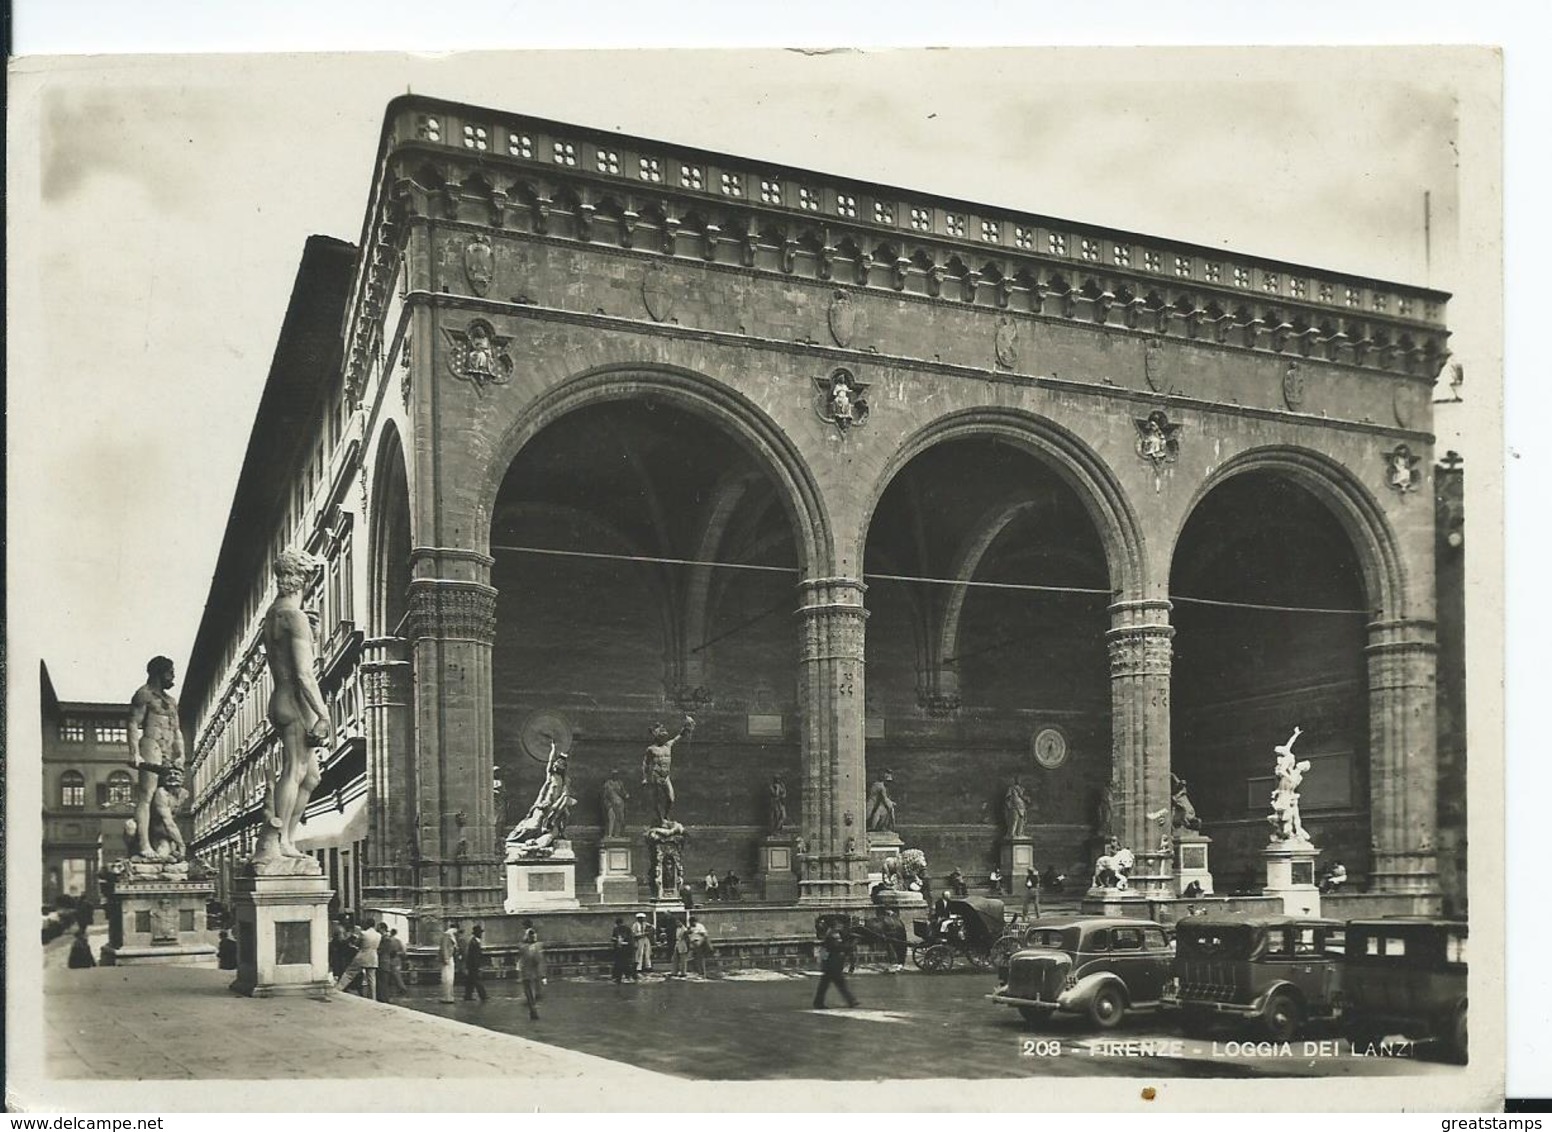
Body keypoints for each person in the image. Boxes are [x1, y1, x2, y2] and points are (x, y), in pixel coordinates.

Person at [262, 552, 330, 860]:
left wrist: (310, 637)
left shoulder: (275, 613)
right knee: (295, 769)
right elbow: (304, 674)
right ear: (306, 579)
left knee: (310, 776)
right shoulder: (295, 616)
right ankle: (280, 844)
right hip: (295, 701)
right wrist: (324, 715)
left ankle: (287, 840)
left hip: (282, 699)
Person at [128, 656, 186, 859]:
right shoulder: (143, 694)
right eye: (170, 672)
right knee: (147, 796)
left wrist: (181, 755)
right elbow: (134, 723)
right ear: (158, 672)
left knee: (164, 798)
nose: (173, 677)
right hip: (151, 746)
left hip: (168, 750)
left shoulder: (171, 701)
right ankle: (144, 845)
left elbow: (177, 730)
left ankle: (162, 842)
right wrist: (134, 752)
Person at [642, 715, 695, 826]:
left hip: (666, 777)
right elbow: (646, 764)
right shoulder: (651, 749)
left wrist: (686, 726)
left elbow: (679, 736)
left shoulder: (668, 745)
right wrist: (645, 778)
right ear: (656, 737)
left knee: (671, 798)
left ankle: (665, 816)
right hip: (656, 776)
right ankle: (660, 820)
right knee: (657, 800)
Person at [812, 922, 858, 1009]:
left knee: (825, 985)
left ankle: (818, 1002)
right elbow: (838, 947)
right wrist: (852, 944)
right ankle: (851, 1001)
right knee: (839, 984)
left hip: (831, 965)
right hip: (833, 965)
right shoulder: (833, 936)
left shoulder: (833, 935)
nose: (841, 926)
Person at [337, 919, 380, 998]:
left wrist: (354, 943)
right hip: (373, 957)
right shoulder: (378, 935)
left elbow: (357, 944)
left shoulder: (363, 933)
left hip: (362, 956)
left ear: (367, 924)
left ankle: (338, 989)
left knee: (349, 973)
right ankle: (373, 997)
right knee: (371, 979)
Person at [517, 926, 546, 1020]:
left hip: (526, 974)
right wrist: (543, 975)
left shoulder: (522, 947)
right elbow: (539, 961)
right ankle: (533, 1011)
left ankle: (532, 1010)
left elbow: (522, 960)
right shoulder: (537, 947)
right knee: (534, 994)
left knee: (529, 994)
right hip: (533, 974)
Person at [378, 924, 407, 1002]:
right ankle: (401, 988)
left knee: (390, 976)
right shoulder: (398, 941)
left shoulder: (388, 940)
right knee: (396, 975)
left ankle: (400, 988)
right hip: (396, 959)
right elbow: (403, 951)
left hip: (390, 959)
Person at [463, 923, 488, 1002]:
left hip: (472, 965)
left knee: (470, 981)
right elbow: (474, 956)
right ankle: (483, 995)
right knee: (477, 981)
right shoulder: (474, 942)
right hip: (474, 965)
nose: (481, 934)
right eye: (480, 933)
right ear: (477, 933)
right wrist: (478, 966)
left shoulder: (474, 941)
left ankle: (468, 995)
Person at [438, 922, 462, 1003]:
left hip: (450, 957)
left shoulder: (450, 935)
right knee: (447, 977)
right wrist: (446, 958)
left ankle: (449, 996)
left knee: (450, 978)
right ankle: (447, 996)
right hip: (448, 958)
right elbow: (444, 947)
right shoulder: (447, 935)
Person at [610, 916, 635, 983]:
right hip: (624, 949)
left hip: (620, 949)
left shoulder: (617, 929)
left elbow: (613, 938)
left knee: (619, 964)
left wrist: (617, 941)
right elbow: (630, 939)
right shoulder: (626, 929)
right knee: (625, 963)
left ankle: (619, 977)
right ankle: (627, 976)